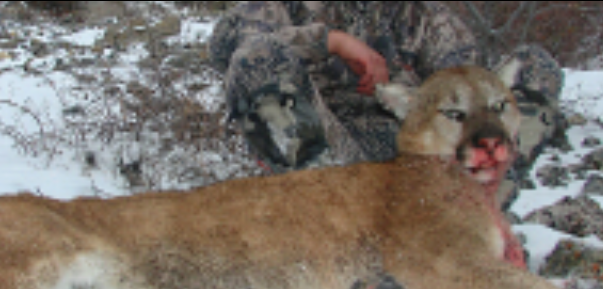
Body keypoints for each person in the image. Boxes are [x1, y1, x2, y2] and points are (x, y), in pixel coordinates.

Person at [209, 1, 564, 173]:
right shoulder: (276, 6)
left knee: (533, 68)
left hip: (424, 166)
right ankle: (334, 228)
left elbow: (466, 79)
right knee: (258, 61)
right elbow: (230, 50)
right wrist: (331, 41)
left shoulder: (416, 12)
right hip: (338, 164)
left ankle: (486, 210)